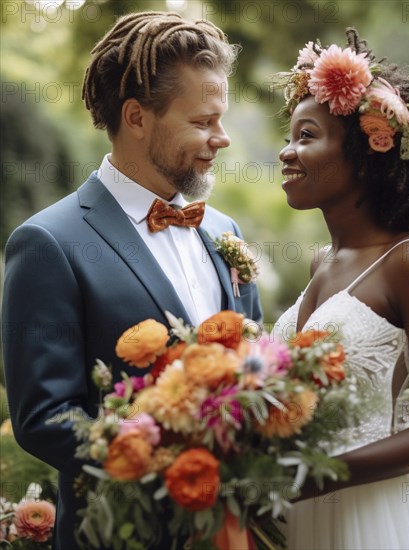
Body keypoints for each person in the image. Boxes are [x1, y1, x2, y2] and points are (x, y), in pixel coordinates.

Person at [1, 12, 261, 549]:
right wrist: (171, 458)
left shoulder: (223, 230)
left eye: (222, 119)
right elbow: (44, 416)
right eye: (202, 122)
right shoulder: (47, 242)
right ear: (137, 117)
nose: (223, 138)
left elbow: (256, 361)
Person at [272, 29, 409, 549]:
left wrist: (314, 477)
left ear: (370, 150)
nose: (286, 152)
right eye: (290, 135)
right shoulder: (323, 262)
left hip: (380, 521)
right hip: (291, 521)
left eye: (306, 136)